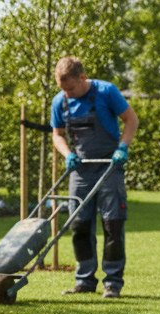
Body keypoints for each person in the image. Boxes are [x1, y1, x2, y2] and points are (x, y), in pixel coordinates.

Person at [50, 56, 139, 299]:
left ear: (82, 78)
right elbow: (57, 135)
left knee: (112, 223)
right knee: (78, 225)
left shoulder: (106, 91)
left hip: (109, 165)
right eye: (63, 89)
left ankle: (113, 283)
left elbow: (131, 120)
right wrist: (67, 153)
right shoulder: (60, 102)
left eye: (70, 88)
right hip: (80, 169)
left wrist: (123, 147)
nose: (67, 93)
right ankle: (85, 280)